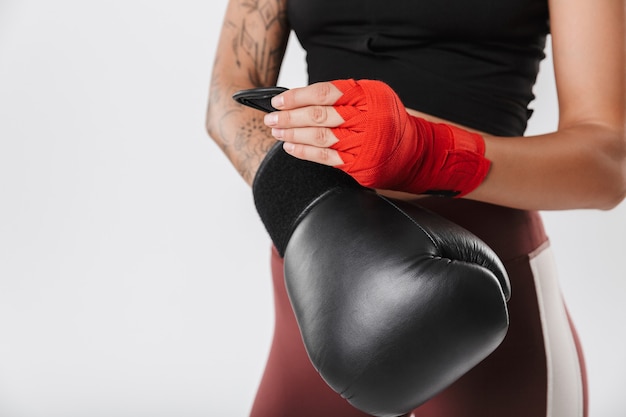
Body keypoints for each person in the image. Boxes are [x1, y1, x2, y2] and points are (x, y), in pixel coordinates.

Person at [206, 1, 626, 416]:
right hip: (318, 271)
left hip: (481, 288)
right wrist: (306, 195)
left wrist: (427, 153)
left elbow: (609, 164)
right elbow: (228, 97)